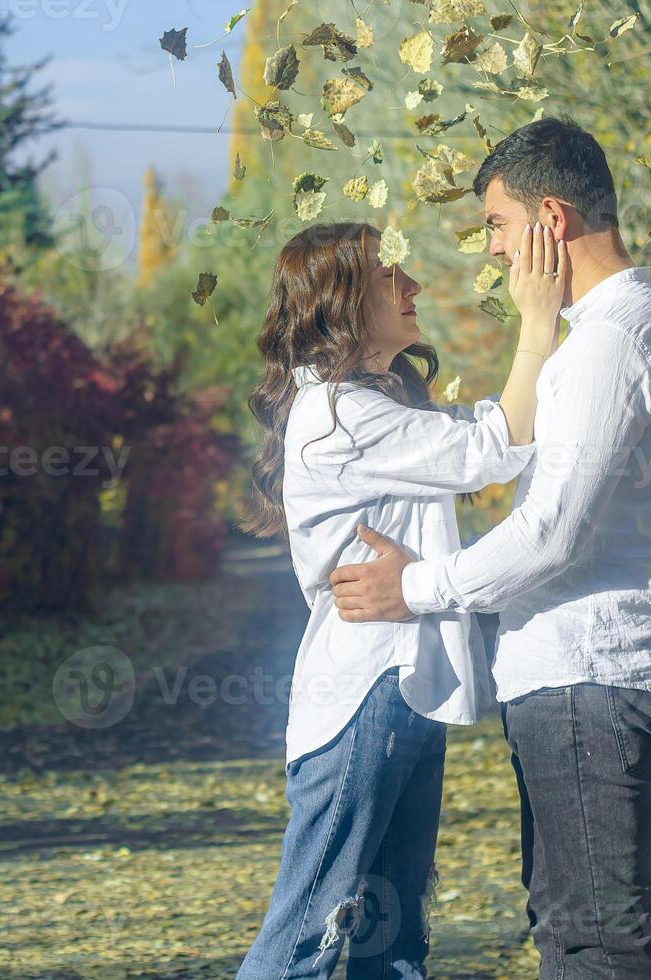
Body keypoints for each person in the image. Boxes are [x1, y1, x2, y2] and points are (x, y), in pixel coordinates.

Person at [329, 115, 651, 980]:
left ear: (552, 218)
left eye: (498, 226)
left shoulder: (611, 341)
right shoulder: (625, 329)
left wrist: (415, 588)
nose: (493, 251)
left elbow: (553, 533)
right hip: (585, 676)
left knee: (592, 939)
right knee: (571, 922)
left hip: (589, 672)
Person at [234, 219, 568, 978]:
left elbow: (487, 431)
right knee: (307, 939)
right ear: (345, 299)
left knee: (394, 944)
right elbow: (491, 451)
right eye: (394, 277)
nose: (413, 287)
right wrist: (538, 324)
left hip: (400, 688)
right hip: (366, 694)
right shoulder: (339, 415)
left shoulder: (368, 403)